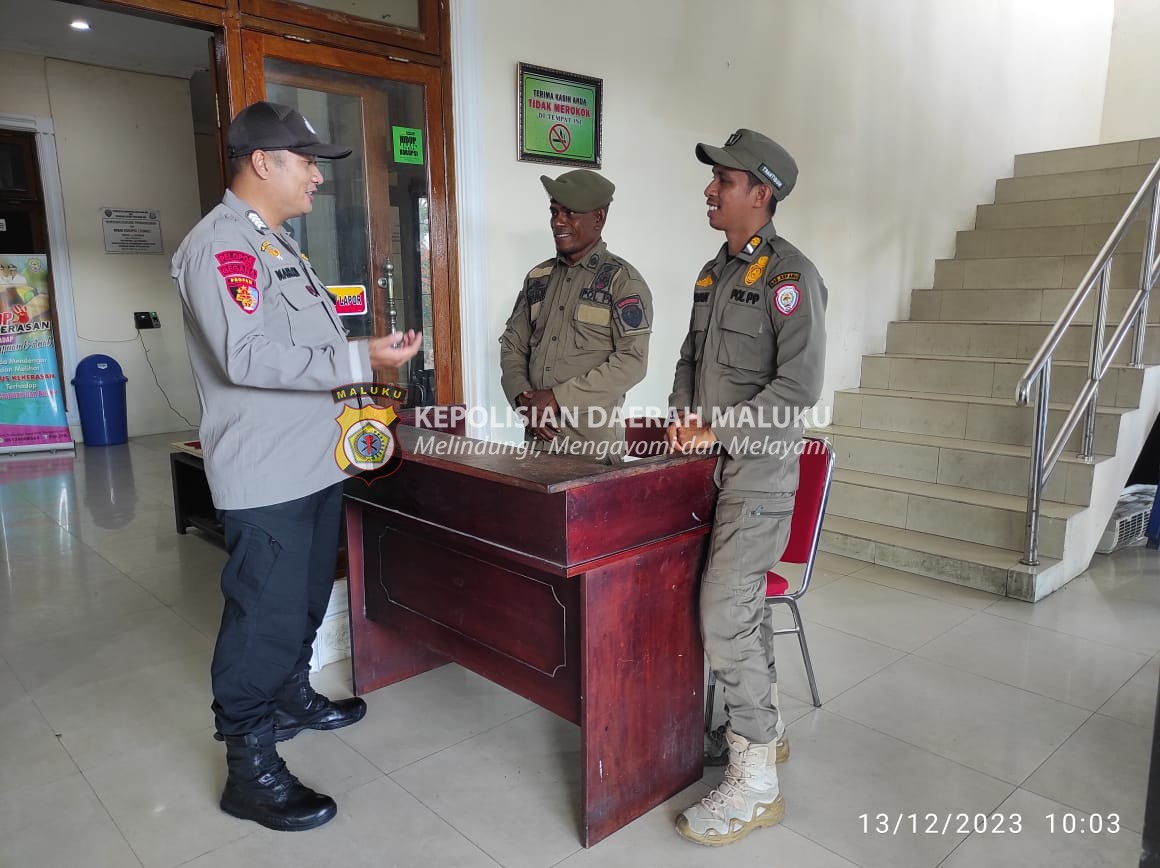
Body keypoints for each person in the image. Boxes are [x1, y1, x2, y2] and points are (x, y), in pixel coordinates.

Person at [171, 101, 422, 832]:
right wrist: (359, 356)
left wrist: (362, 363)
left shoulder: (275, 243)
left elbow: (301, 350)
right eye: (307, 160)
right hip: (266, 471)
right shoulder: (223, 247)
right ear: (262, 162)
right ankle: (248, 766)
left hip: (311, 463)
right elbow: (245, 357)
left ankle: (288, 698)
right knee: (264, 616)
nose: (317, 175)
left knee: (305, 598)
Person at [667, 129, 828, 846]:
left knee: (723, 613)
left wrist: (719, 429)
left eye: (724, 180)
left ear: (761, 193)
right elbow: (689, 357)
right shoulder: (715, 273)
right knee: (739, 610)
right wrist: (681, 418)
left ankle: (756, 782)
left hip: (758, 474)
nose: (710, 189)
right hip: (711, 471)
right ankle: (760, 728)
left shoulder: (792, 279)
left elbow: (796, 388)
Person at [499, 170, 653, 463]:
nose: (558, 221)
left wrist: (558, 398)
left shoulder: (622, 282)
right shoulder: (538, 278)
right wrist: (523, 398)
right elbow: (512, 346)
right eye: (555, 212)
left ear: (599, 218)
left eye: (570, 213)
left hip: (591, 452)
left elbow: (632, 362)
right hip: (538, 447)